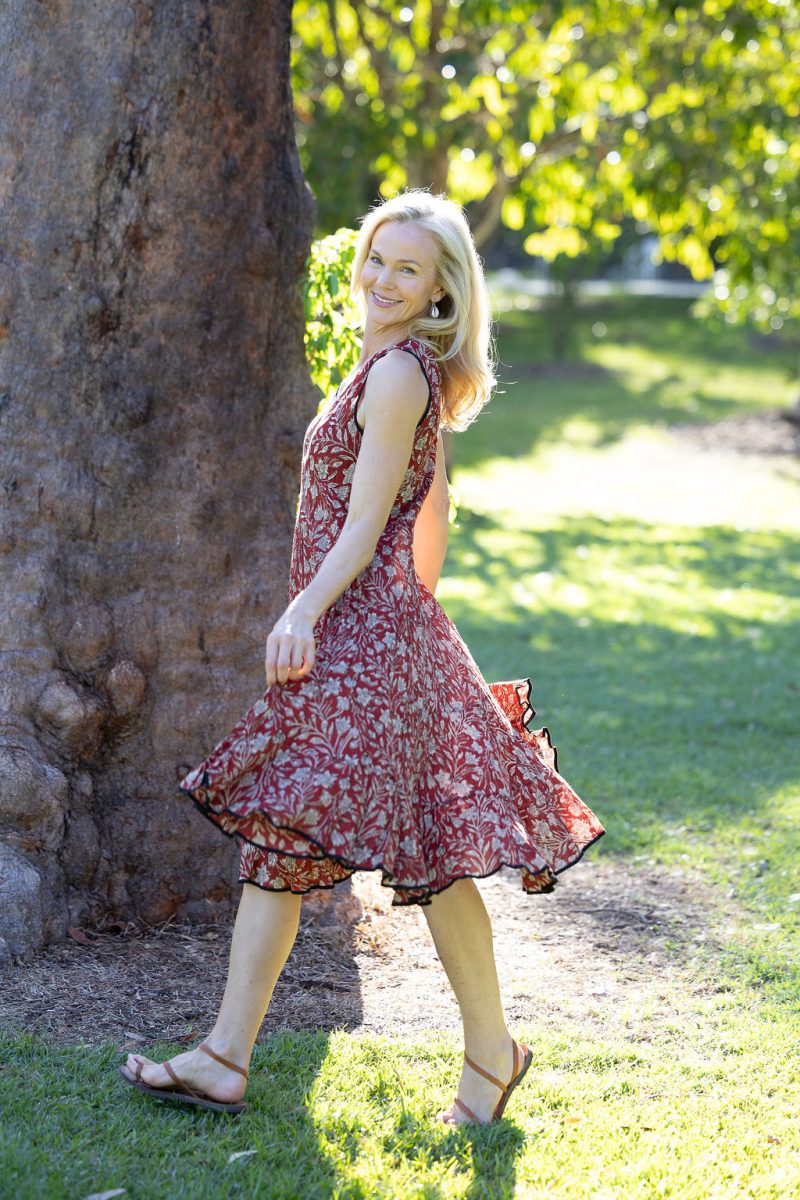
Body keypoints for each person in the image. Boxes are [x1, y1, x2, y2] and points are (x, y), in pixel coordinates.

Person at [118, 190, 605, 1124]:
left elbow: (367, 521)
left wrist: (309, 610)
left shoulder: (396, 375)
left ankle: (481, 1052)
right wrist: (413, 625)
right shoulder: (390, 367)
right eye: (377, 259)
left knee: (386, 845)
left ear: (440, 294)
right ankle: (236, 1055)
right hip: (381, 635)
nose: (384, 278)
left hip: (362, 639)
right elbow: (434, 517)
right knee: (302, 833)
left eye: (408, 268)